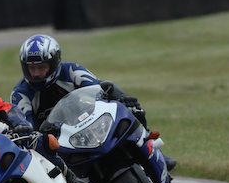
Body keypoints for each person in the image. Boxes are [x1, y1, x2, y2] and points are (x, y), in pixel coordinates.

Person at [10, 34, 177, 171]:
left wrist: (120, 97)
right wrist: (26, 129)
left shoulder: (71, 70)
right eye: (32, 68)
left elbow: (98, 87)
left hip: (88, 122)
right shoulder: (20, 93)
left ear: (54, 63)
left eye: (41, 67)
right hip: (58, 142)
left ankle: (153, 150)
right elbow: (25, 123)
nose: (36, 74)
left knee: (131, 108)